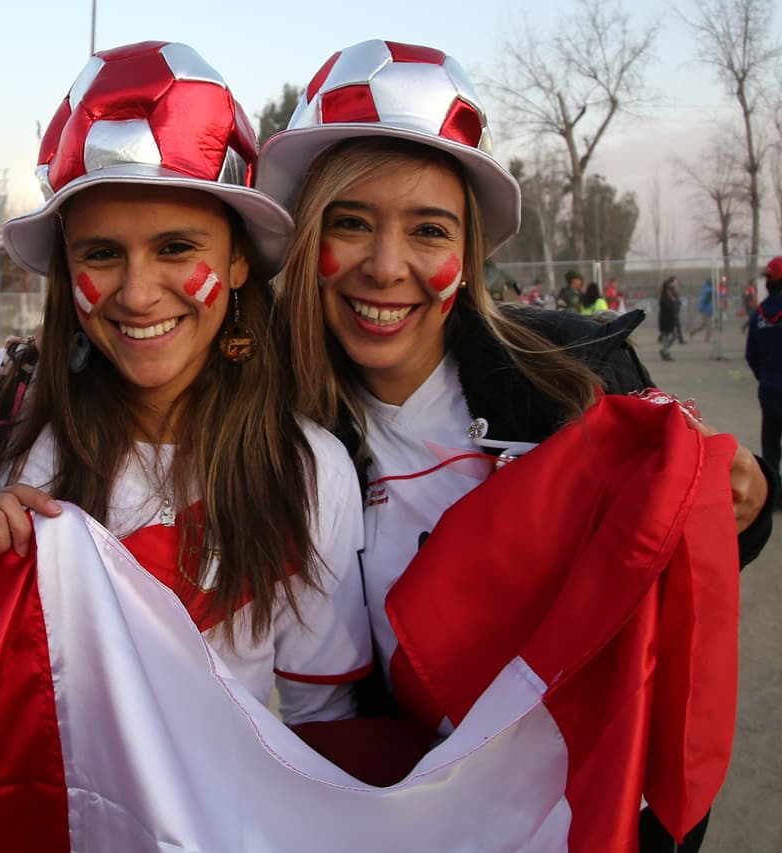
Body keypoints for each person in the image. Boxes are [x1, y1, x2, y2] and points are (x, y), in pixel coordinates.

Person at [254, 38, 773, 851]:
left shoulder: (577, 378)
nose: (386, 267)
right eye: (350, 223)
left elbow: (666, 566)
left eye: (428, 230)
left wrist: (748, 497)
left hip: (580, 813)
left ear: (468, 257)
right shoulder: (268, 426)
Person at [0, 40, 373, 727]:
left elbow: (322, 724)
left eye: (175, 248)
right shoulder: (1, 402)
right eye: (102, 254)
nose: (137, 295)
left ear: (236, 263)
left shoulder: (310, 471)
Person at [747, 257, 782, 505]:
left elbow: (751, 354)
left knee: (770, 442)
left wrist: (765, 376)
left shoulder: (758, 314)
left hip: (769, 387)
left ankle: (774, 495)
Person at [658, 276, 681, 361]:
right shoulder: (664, 296)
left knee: (673, 336)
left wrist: (674, 299)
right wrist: (673, 301)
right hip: (665, 320)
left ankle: (664, 351)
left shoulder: (671, 295)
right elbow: (668, 306)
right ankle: (666, 353)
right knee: (666, 336)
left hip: (670, 319)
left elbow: (677, 303)